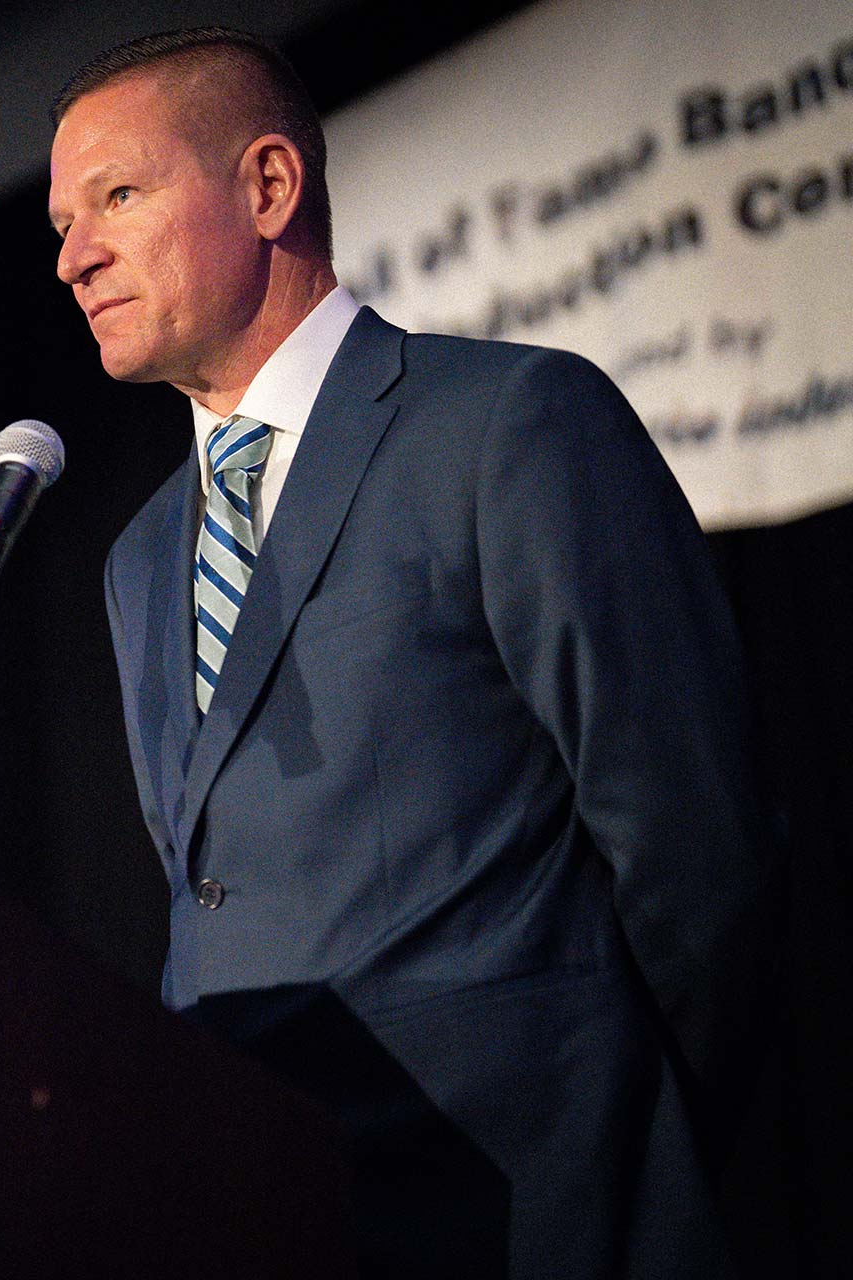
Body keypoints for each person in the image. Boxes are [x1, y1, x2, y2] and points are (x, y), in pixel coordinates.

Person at [47, 26, 780, 1276]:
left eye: (117, 196)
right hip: (267, 1214)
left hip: (534, 1206)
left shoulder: (506, 425)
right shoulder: (137, 557)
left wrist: (628, 1157)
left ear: (268, 186)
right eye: (61, 222)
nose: (74, 257)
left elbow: (690, 852)